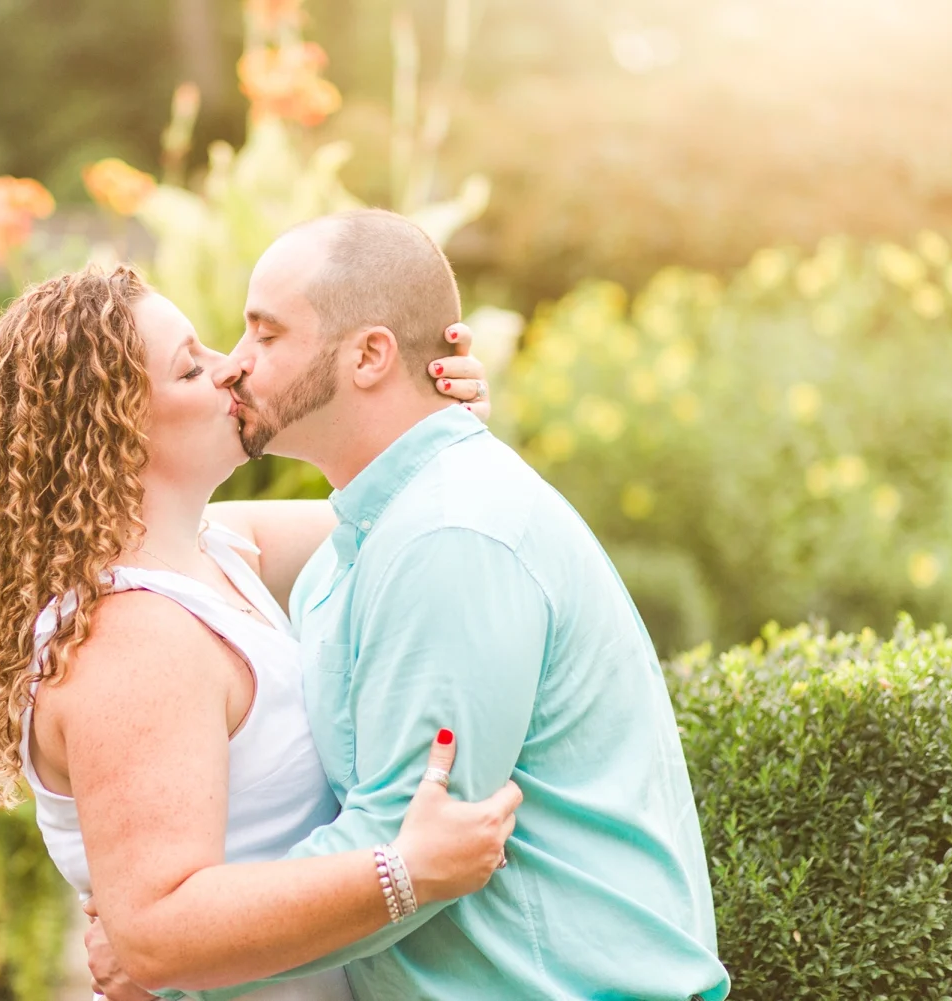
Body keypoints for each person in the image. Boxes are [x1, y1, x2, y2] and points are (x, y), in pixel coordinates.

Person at [93, 207, 728, 1000]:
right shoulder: (368, 533)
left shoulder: (450, 536)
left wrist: (180, 955)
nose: (236, 365)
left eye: (266, 334)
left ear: (368, 354)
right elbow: (171, 540)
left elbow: (404, 847)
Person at [0, 262, 522, 1001]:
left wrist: (435, 409)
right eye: (193, 366)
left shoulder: (218, 546)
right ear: (117, 429)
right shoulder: (135, 641)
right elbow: (158, 932)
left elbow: (405, 514)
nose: (234, 369)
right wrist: (405, 871)